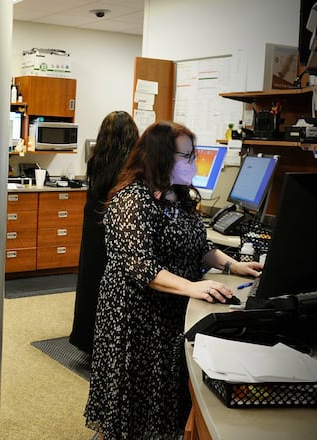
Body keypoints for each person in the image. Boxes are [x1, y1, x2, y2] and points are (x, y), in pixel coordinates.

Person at [83, 121, 264, 440]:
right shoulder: (132, 199)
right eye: (188, 156)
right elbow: (141, 266)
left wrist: (232, 264)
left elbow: (197, 243)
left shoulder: (177, 196)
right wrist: (194, 286)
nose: (195, 162)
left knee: (166, 397)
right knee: (138, 405)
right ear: (161, 157)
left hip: (170, 310)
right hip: (137, 317)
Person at [69, 110, 139, 355]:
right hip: (114, 225)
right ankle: (105, 342)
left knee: (90, 279)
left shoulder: (96, 160)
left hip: (93, 223)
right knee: (109, 285)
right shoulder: (132, 166)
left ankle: (85, 338)